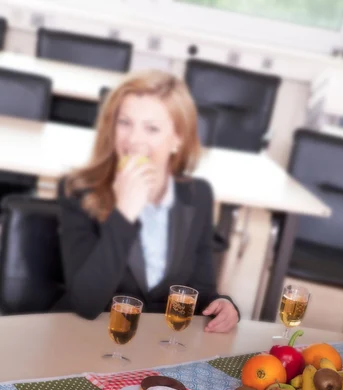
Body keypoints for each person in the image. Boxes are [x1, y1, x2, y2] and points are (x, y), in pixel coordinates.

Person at [57, 70, 239, 333]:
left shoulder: (197, 195)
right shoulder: (79, 191)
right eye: (125, 122)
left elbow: (199, 288)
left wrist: (220, 303)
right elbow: (85, 303)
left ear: (178, 139)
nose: (133, 140)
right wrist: (124, 213)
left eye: (152, 128)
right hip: (88, 338)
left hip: (156, 345)